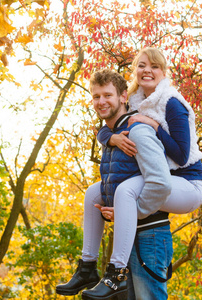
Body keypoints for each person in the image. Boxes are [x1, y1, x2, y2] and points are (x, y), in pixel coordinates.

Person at [96, 47, 202, 299]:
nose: (147, 70)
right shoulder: (134, 99)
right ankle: (88, 265)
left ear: (163, 72)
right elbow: (108, 126)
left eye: (154, 66)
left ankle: (115, 272)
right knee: (101, 191)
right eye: (142, 65)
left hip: (187, 182)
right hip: (160, 180)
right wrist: (111, 138)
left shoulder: (172, 103)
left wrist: (155, 126)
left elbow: (180, 154)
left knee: (125, 192)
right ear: (135, 70)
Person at [56, 69, 173, 300]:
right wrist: (108, 137)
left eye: (107, 95)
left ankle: (107, 272)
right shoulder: (112, 134)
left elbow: (160, 182)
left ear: (123, 97)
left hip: (149, 234)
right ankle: (87, 267)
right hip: (128, 236)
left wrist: (129, 213)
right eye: (96, 96)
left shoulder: (137, 131)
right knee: (92, 192)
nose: (101, 102)